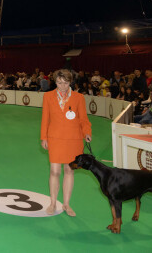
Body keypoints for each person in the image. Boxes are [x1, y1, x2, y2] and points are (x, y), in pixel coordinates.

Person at [41, 69, 92, 217]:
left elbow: (83, 119)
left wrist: (86, 132)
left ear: (70, 82)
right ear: (55, 82)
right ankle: (52, 203)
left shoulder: (79, 97)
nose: (62, 86)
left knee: (69, 171)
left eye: (65, 83)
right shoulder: (48, 96)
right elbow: (45, 118)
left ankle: (66, 204)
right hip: (55, 139)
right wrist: (44, 137)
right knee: (54, 171)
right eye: (58, 83)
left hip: (74, 140)